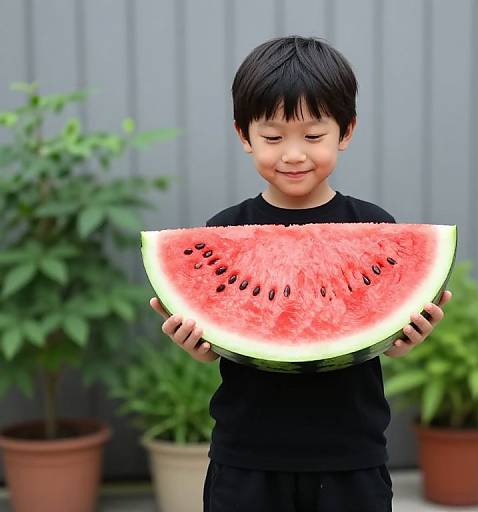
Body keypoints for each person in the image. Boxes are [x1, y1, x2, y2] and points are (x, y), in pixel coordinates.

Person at [150, 35, 452, 512]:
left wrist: (403, 339)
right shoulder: (222, 232)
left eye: (313, 136)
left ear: (346, 131)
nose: (293, 154)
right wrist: (200, 346)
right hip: (246, 458)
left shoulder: (374, 227)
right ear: (243, 135)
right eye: (273, 137)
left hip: (351, 458)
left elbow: (380, 337)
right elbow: (223, 348)